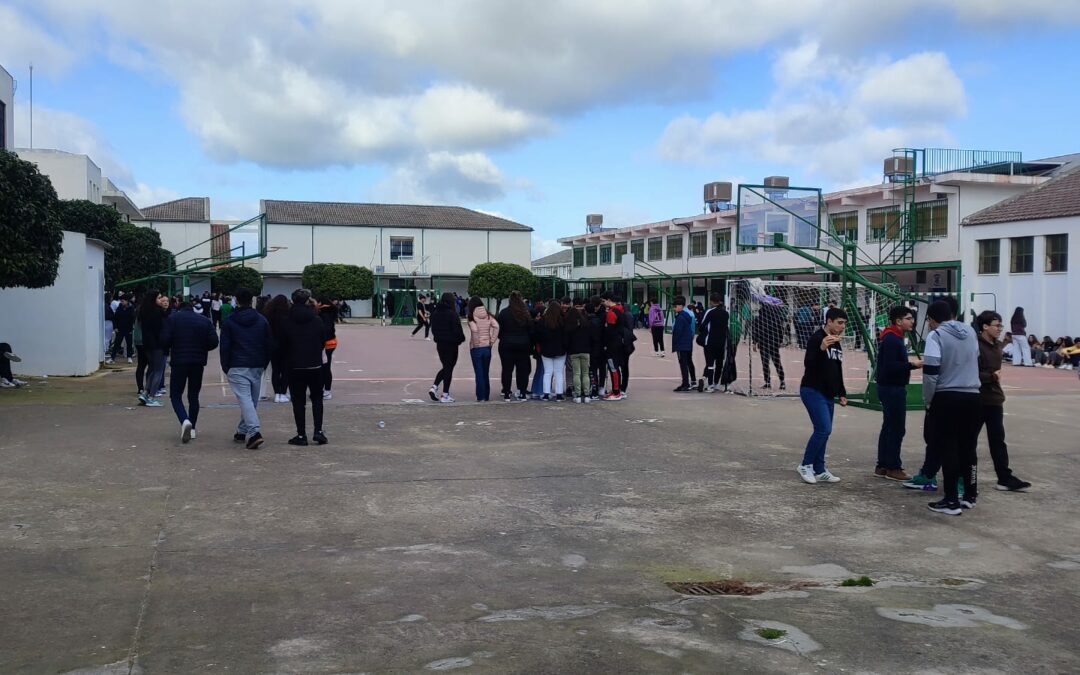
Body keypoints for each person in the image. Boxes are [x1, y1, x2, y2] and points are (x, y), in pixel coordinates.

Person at [922, 300, 981, 516]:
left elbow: (931, 373)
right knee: (968, 447)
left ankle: (951, 500)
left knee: (948, 447)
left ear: (932, 319)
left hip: (947, 396)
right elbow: (975, 359)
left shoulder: (935, 336)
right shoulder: (971, 333)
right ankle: (970, 495)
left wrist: (928, 400)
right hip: (973, 396)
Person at [974, 310, 1032, 493]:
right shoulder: (975, 346)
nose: (1000, 329)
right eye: (996, 325)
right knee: (968, 440)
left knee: (998, 440)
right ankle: (965, 477)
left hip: (995, 399)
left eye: (1001, 325)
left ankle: (1004, 477)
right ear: (984, 326)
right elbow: (970, 373)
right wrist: (990, 377)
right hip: (977, 399)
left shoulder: (997, 345)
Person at [797, 307, 848, 484]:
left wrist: (841, 392)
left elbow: (837, 368)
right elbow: (808, 363)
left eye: (844, 324)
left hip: (828, 393)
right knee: (823, 429)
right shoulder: (816, 338)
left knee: (824, 432)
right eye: (839, 323)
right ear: (829, 321)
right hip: (812, 390)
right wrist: (821, 348)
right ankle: (805, 465)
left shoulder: (837, 342)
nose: (842, 327)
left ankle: (819, 469)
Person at [874, 306, 923, 481]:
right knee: (896, 428)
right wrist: (912, 365)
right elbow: (891, 367)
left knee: (888, 426)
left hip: (889, 387)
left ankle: (882, 465)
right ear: (898, 321)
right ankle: (893, 467)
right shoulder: (893, 340)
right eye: (909, 318)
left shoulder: (893, 337)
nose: (912, 321)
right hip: (892, 388)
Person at [160, 299, 219, 443]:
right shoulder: (204, 320)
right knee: (193, 396)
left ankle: (184, 420)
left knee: (175, 395)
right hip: (198, 362)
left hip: (179, 361)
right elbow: (214, 341)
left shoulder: (172, 319)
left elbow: (165, 340)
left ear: (179, 308)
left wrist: (170, 348)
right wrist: (202, 348)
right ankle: (192, 428)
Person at [220, 288, 272, 449]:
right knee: (250, 401)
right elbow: (268, 343)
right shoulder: (262, 320)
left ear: (237, 300)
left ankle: (254, 432)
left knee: (245, 400)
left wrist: (226, 366)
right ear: (252, 300)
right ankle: (242, 430)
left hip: (237, 364)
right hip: (257, 364)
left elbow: (225, 346)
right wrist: (264, 362)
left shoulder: (230, 321)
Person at [282, 289, 330, 445]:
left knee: (298, 401)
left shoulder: (287, 320)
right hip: (315, 364)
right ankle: (318, 431)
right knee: (317, 398)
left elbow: (283, 344)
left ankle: (301, 435)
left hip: (294, 365)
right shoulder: (316, 319)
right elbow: (323, 340)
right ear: (308, 301)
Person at [429, 292, 465, 403]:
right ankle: (445, 394)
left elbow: (433, 329)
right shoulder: (452, 314)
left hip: (440, 344)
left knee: (446, 367)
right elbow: (457, 330)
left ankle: (434, 387)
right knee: (449, 368)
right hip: (451, 344)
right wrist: (460, 339)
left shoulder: (435, 313)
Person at [497, 292, 533, 401]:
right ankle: (522, 392)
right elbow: (531, 330)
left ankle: (507, 392)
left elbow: (499, 330)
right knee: (522, 370)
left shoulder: (504, 313)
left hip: (506, 344)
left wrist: (503, 338)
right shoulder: (525, 313)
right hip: (523, 345)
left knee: (507, 369)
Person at [137, 291, 169, 407]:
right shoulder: (157, 313)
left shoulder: (144, 311)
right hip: (158, 346)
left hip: (148, 345)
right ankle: (151, 396)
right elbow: (161, 331)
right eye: (159, 298)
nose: (162, 300)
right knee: (158, 371)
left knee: (152, 369)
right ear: (154, 299)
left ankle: (145, 393)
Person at [467, 296, 500, 402]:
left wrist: (476, 343)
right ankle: (486, 396)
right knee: (485, 372)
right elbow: (496, 326)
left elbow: (474, 329)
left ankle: (480, 396)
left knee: (479, 373)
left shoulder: (471, 316)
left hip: (476, 349)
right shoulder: (488, 315)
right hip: (487, 347)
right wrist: (492, 340)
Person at [536, 301, 568, 401]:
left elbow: (538, 336)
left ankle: (546, 394)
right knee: (559, 372)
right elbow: (566, 337)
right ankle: (559, 394)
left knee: (547, 372)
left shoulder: (543, 321)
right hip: (560, 350)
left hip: (546, 350)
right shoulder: (563, 321)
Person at [262, 294, 292, 403]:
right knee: (285, 370)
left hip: (273, 345)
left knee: (275, 370)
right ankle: (283, 392)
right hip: (286, 345)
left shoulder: (268, 315)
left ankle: (277, 394)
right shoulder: (288, 315)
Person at [698, 292, 729, 392]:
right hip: (721, 342)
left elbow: (702, 325)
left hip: (710, 341)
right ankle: (716, 384)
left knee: (710, 364)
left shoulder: (710, 312)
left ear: (711, 301)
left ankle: (710, 385)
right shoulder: (726, 313)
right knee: (719, 363)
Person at [599, 292, 627, 401]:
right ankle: (617, 389)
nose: (603, 303)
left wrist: (605, 345)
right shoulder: (620, 310)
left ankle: (616, 392)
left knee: (613, 368)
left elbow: (609, 331)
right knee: (615, 368)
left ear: (609, 300)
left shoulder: (611, 313)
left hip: (612, 345)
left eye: (604, 301)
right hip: (618, 343)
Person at [753, 302, 787, 390]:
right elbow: (780, 331)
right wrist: (779, 341)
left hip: (763, 343)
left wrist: (754, 342)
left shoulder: (759, 319)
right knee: (777, 362)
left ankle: (767, 382)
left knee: (765, 363)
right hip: (773, 343)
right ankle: (782, 381)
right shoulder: (776, 318)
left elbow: (756, 331)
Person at [566, 299, 592, 403]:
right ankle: (586, 395)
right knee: (585, 373)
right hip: (585, 350)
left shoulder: (569, 325)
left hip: (574, 351)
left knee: (576, 373)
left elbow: (567, 340)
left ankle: (577, 395)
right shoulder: (586, 323)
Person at [671, 295, 696, 392]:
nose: (674, 308)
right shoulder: (688, 315)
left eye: (675, 306)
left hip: (682, 344)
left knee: (683, 364)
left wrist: (675, 344)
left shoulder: (680, 317)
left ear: (681, 306)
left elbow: (677, 331)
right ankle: (691, 381)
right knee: (688, 362)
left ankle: (685, 383)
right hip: (688, 343)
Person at [319, 299, 338, 400]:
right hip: (331, 342)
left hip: (325, 344)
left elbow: (325, 330)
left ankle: (326, 390)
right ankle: (325, 390)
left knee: (324, 367)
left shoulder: (323, 314)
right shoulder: (331, 312)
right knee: (326, 367)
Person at [108, 297, 136, 364]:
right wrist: (115, 327)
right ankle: (112, 358)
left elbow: (133, 318)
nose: (121, 302)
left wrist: (132, 327)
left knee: (129, 343)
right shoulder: (119, 308)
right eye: (121, 301)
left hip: (128, 328)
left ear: (127, 301)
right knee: (117, 343)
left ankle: (129, 357)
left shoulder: (131, 308)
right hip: (120, 329)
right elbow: (115, 318)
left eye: (123, 301)